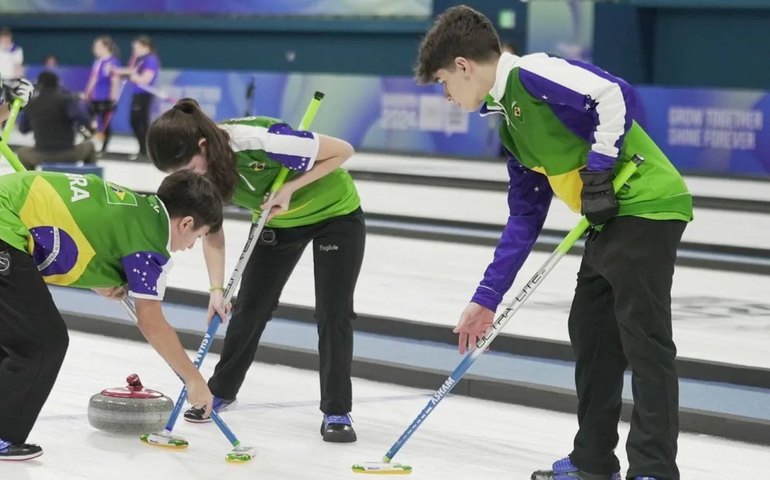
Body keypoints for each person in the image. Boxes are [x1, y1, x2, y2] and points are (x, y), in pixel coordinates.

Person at [415, 6, 692, 480]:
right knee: (591, 333)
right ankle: (592, 460)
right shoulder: (509, 124)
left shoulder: (531, 72)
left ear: (463, 66)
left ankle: (653, 468)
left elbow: (613, 94)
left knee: (643, 341)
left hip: (646, 204)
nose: (446, 94)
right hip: (611, 220)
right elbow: (525, 217)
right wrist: (487, 297)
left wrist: (600, 171)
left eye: (444, 82)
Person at [146, 98, 365, 443]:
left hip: (335, 215)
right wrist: (216, 290)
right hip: (277, 224)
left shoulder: (260, 142)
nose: (188, 176)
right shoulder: (203, 173)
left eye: (189, 166)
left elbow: (343, 151)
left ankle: (336, 409)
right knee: (249, 307)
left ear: (203, 145)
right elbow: (211, 231)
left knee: (333, 311)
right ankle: (221, 390)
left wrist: (290, 187)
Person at [0, 168, 222, 461]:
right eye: (198, 236)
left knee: (17, 334)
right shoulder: (151, 242)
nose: (191, 246)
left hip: (10, 211)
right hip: (6, 223)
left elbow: (82, 226)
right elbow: (151, 321)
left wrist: (97, 280)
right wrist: (194, 379)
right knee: (42, 342)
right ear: (186, 223)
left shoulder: (141, 208)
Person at [17, 71, 96, 169]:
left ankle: (32, 181)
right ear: (57, 83)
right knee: (90, 147)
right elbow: (83, 119)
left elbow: (23, 129)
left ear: (39, 85)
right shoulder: (66, 99)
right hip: (68, 154)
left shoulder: (32, 104)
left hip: (41, 155)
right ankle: (87, 181)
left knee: (22, 152)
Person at [113, 35, 159, 161]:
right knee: (137, 122)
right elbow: (131, 71)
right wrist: (118, 71)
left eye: (137, 47)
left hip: (144, 94)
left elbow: (145, 79)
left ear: (146, 47)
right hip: (137, 94)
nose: (135, 50)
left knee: (140, 122)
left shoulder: (150, 59)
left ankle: (145, 151)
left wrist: (133, 76)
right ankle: (143, 150)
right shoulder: (140, 59)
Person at [83, 36, 121, 156]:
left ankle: (104, 147)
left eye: (97, 46)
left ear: (105, 47)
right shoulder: (97, 62)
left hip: (106, 97)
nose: (94, 49)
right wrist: (87, 93)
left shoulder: (113, 62)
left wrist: (113, 98)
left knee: (105, 122)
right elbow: (93, 78)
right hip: (95, 97)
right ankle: (90, 143)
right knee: (90, 120)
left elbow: (115, 81)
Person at [0, 28, 24, 104]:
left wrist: (19, 80)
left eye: (6, 38)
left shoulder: (16, 50)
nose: (4, 40)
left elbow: (18, 66)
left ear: (10, 38)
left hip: (10, 79)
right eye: (2, 38)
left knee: (7, 103)